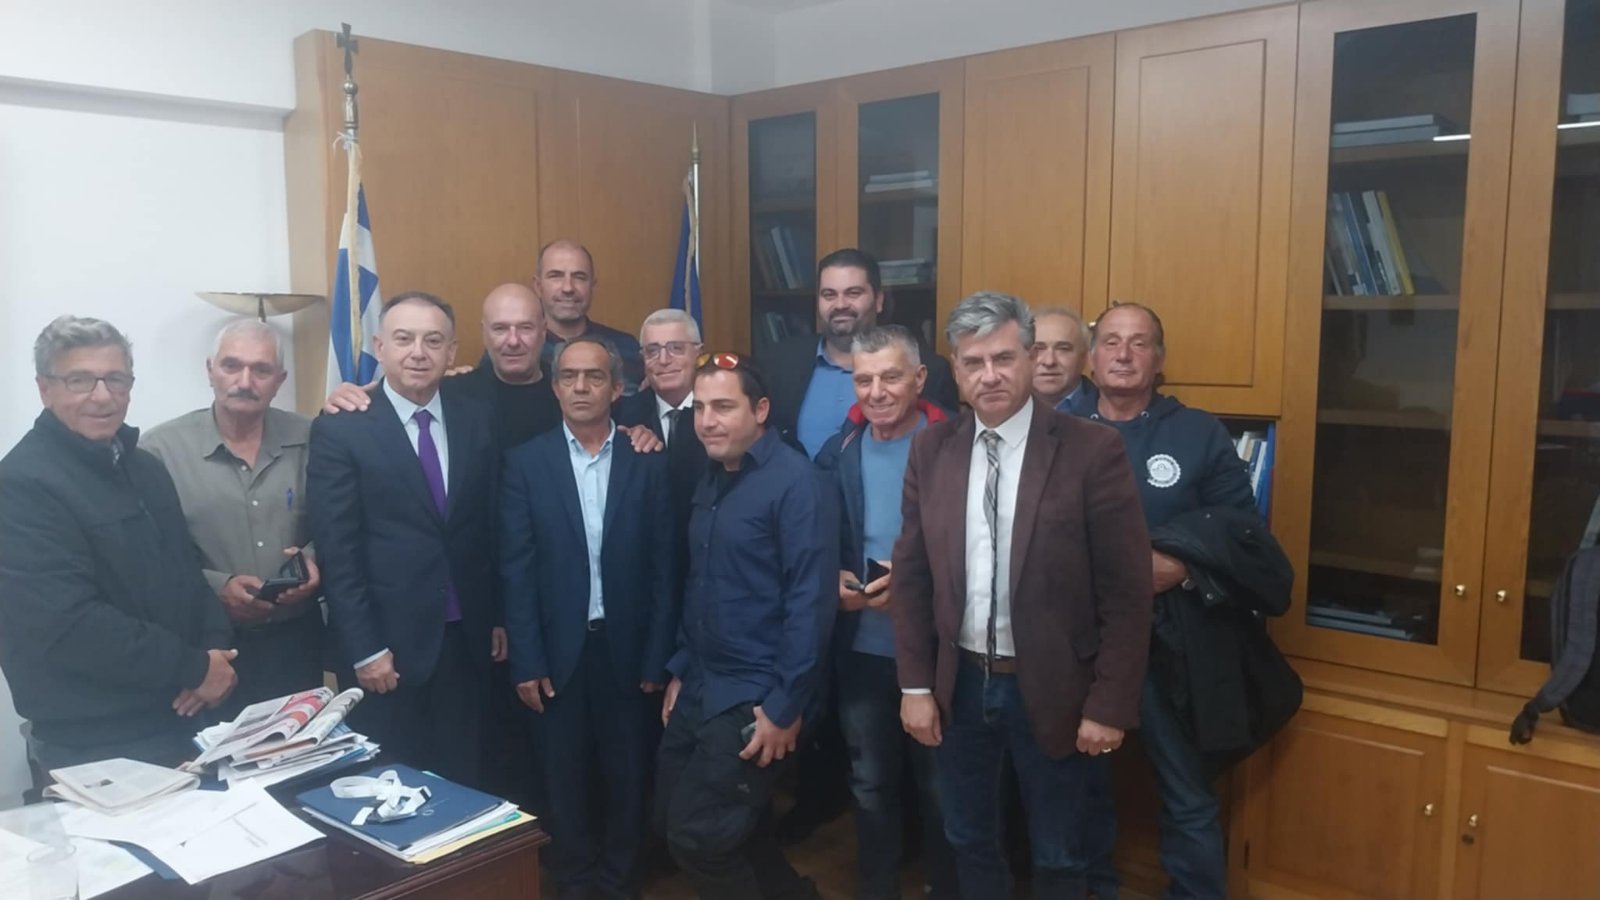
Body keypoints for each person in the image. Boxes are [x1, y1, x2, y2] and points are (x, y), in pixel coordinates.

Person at [892, 292, 1154, 899]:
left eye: (1004, 358)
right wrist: (915, 686)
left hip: (1057, 687)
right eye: (973, 362)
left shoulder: (1092, 450)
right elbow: (911, 576)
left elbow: (1127, 592)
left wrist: (1109, 704)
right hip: (959, 686)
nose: (989, 376)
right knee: (968, 839)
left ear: (1031, 358)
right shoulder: (931, 449)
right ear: (956, 371)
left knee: (1062, 852)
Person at [1079, 302, 1264, 900]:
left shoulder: (1197, 432)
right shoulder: (1059, 427)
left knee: (1186, 790)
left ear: (1159, 359)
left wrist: (1183, 567)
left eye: (1139, 343)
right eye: (1111, 342)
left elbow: (1244, 531)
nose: (1123, 354)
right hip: (1080, 638)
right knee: (1080, 783)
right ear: (1091, 357)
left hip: (1171, 636)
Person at [0, 316, 236, 771]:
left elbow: (188, 575)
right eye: (80, 380)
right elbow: (69, 625)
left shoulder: (146, 468)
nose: (102, 395)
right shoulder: (20, 485)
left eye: (116, 379)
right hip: (93, 740)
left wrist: (214, 656)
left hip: (183, 717)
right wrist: (192, 667)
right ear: (44, 389)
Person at [655, 352, 837, 900]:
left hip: (757, 693)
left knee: (700, 838)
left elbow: (811, 603)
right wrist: (681, 667)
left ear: (760, 410)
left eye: (723, 407)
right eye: (700, 408)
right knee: (702, 823)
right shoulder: (714, 476)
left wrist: (784, 707)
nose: (707, 421)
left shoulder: (797, 483)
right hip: (702, 681)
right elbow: (702, 583)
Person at [502, 336, 677, 899]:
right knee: (563, 778)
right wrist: (527, 659)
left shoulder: (647, 461)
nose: (581, 387)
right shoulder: (525, 464)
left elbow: (666, 568)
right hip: (557, 654)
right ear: (554, 387)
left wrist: (658, 655)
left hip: (628, 650)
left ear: (617, 388)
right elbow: (517, 570)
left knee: (629, 777)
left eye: (594, 377)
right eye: (569, 377)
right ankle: (575, 882)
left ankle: (621, 881)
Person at [308, 292, 505, 787]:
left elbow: (488, 525)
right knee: (391, 785)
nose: (418, 352)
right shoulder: (342, 429)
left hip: (467, 640)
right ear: (380, 346)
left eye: (433, 340)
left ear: (452, 351)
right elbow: (338, 550)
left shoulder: (477, 415)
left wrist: (498, 616)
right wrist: (364, 649)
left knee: (465, 778)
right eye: (404, 339)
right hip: (387, 649)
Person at [814, 325, 957, 900]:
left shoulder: (957, 444)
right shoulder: (840, 448)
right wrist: (830, 580)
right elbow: (813, 533)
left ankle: (946, 888)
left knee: (942, 788)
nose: (875, 392)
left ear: (919, 378)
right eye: (863, 379)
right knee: (870, 783)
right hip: (864, 646)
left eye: (890, 377)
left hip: (941, 650)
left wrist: (919, 581)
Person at [142, 320, 322, 716]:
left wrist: (312, 560)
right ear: (210, 371)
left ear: (280, 380)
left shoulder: (314, 437)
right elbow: (149, 553)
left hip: (297, 642)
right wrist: (217, 586)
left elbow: (341, 522)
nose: (245, 381)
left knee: (298, 749)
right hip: (208, 647)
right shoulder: (159, 451)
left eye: (261, 370)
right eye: (231, 366)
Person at [757, 248, 959, 459]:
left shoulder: (930, 370)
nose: (840, 305)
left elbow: (948, 451)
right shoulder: (777, 363)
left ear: (878, 300)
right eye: (829, 295)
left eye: (853, 293)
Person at [614, 308, 708, 526]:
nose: (664, 360)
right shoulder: (623, 416)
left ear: (699, 353)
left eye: (676, 348)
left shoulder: (722, 412)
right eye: (652, 351)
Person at [534, 239, 646, 395]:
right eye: (556, 276)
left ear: (592, 285)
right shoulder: (521, 352)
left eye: (579, 277)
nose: (568, 288)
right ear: (538, 286)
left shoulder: (626, 348)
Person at [1032, 306, 1098, 416]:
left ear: (1084, 357)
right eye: (1038, 349)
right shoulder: (1003, 409)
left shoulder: (1111, 412)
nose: (1049, 361)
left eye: (1063, 349)